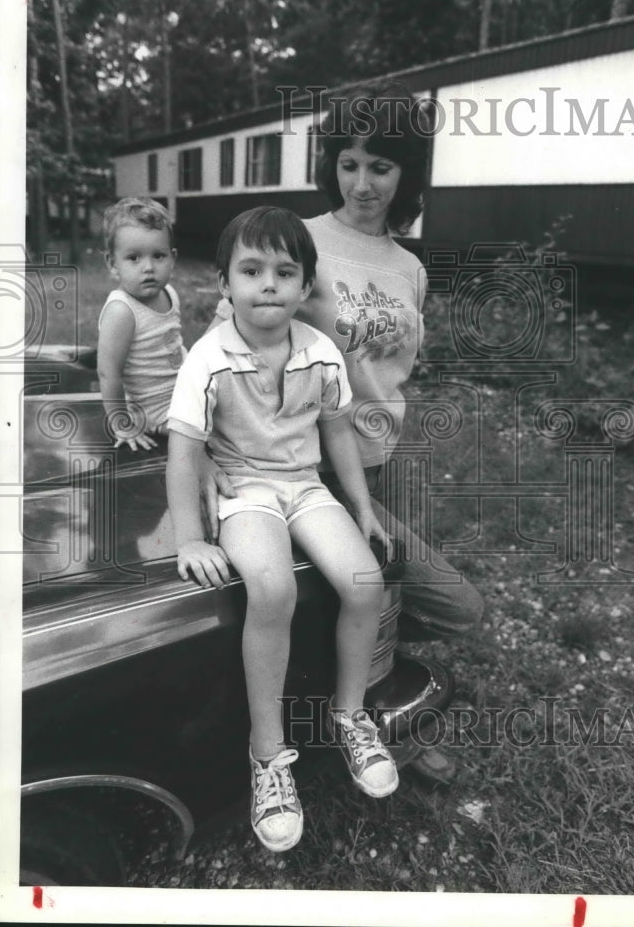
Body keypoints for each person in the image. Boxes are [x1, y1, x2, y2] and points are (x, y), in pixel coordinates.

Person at [205, 82, 484, 783]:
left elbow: (391, 371)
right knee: (442, 600)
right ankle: (343, 719)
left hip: (378, 465)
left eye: (381, 167)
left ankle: (364, 698)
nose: (362, 183)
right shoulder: (298, 242)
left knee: (400, 598)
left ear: (406, 175)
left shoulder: (411, 268)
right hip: (307, 470)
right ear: (331, 163)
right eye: (349, 163)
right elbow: (220, 350)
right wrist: (209, 456)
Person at [166, 205, 399, 853]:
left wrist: (362, 506)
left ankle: (350, 715)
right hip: (245, 490)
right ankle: (267, 753)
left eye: (284, 271)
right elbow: (183, 453)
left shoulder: (320, 351)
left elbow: (336, 431)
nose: (268, 284)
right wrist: (190, 537)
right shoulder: (207, 359)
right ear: (224, 284)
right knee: (272, 589)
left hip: (304, 486)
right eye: (251, 270)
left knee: (365, 581)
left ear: (305, 285)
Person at [97, 197, 185, 451]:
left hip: (184, 390)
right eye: (134, 258)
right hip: (154, 409)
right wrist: (121, 424)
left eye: (158, 256)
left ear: (172, 258)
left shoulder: (169, 293)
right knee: (204, 433)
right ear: (113, 264)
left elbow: (171, 345)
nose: (148, 267)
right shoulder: (121, 311)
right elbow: (108, 372)